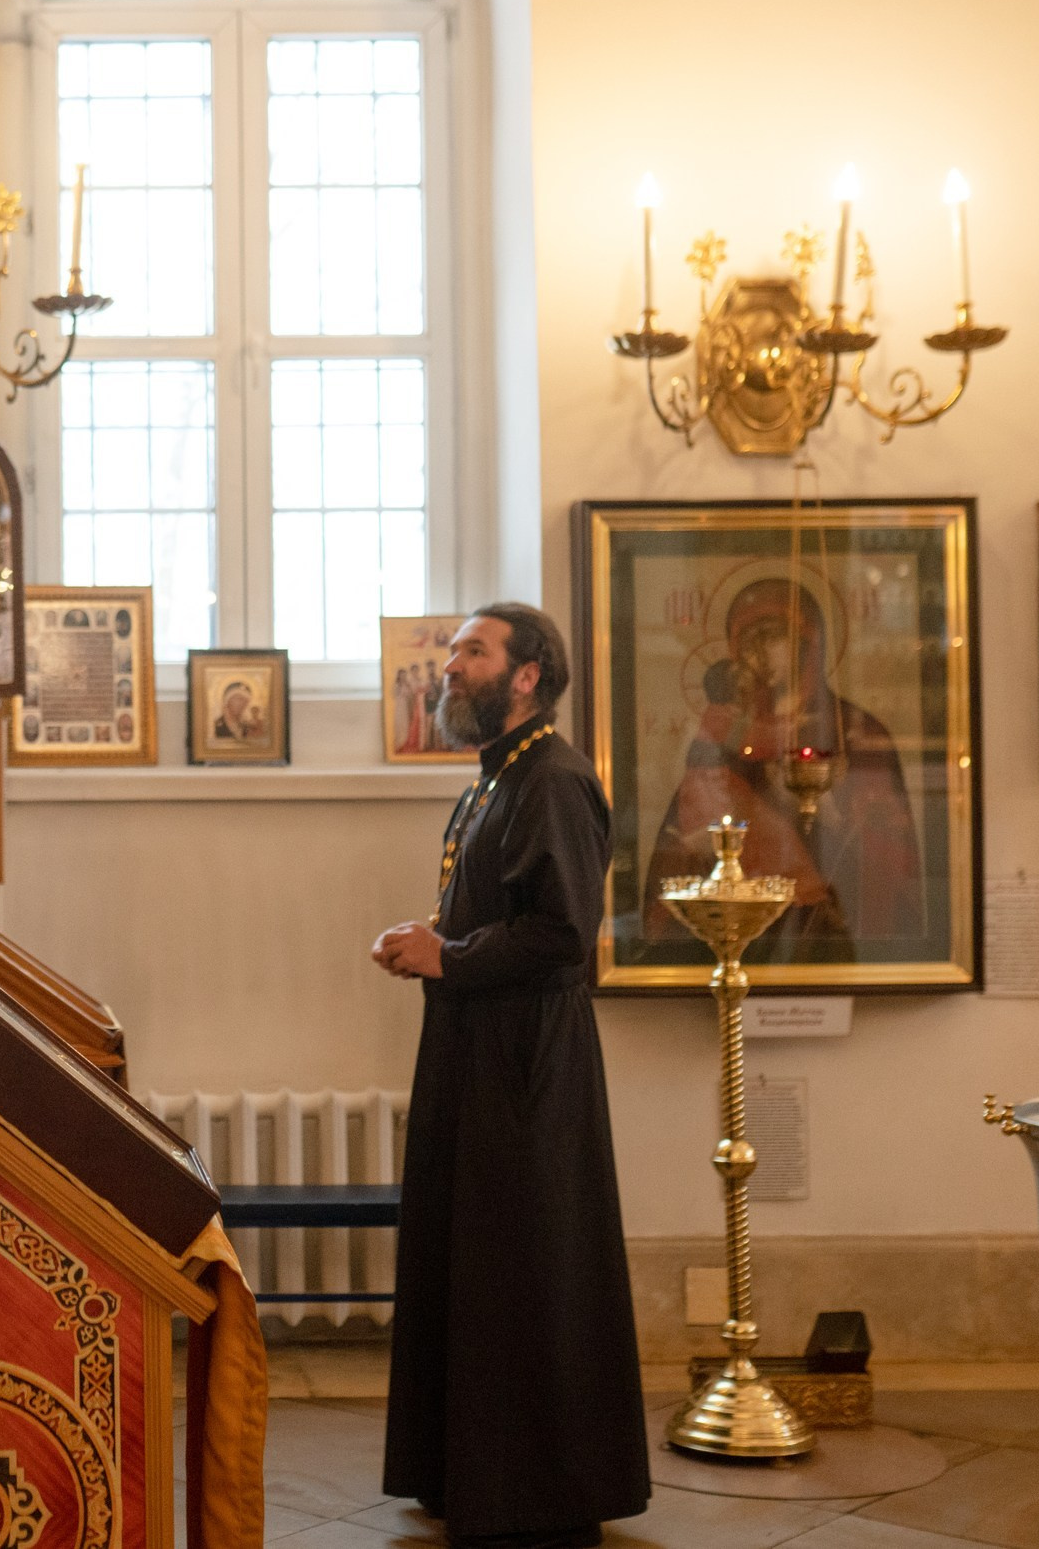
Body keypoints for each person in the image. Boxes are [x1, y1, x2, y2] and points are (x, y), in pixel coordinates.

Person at [368, 603, 647, 1549]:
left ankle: (539, 1490)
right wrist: (435, 944)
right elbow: (504, 913)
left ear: (527, 675)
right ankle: (466, 1472)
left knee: (525, 1267)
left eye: (471, 652)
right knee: (474, 1263)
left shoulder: (556, 780)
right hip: (476, 1048)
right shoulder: (497, 779)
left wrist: (446, 954)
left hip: (528, 1060)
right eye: (451, 653)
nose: (449, 667)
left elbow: (562, 933)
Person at [636, 578, 922, 961]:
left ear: (810, 646)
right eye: (750, 641)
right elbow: (695, 812)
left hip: (828, 912)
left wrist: (834, 812)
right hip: (740, 917)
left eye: (775, 638)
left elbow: (885, 846)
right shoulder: (725, 726)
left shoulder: (856, 729)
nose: (760, 653)